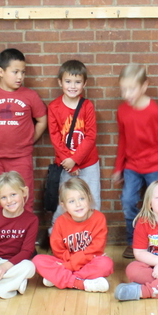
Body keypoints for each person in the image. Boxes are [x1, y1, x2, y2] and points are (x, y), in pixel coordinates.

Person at [0, 48, 47, 212]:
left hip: (21, 157)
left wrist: (29, 139)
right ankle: (0, 235)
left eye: (23, 72)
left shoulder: (30, 96)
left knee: (23, 198)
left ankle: (24, 236)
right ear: (1, 71)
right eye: (15, 72)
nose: (20, 77)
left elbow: (42, 120)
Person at [112, 64, 158, 258]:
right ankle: (134, 242)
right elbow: (123, 139)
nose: (127, 93)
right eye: (123, 89)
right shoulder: (122, 111)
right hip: (132, 167)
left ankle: (157, 241)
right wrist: (119, 168)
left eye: (131, 88)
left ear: (144, 86)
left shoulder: (154, 110)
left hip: (156, 166)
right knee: (128, 201)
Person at [33, 177, 113, 292]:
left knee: (106, 264)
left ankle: (59, 278)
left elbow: (96, 248)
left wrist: (71, 266)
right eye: (71, 201)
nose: (78, 204)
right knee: (37, 261)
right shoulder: (60, 222)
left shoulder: (99, 218)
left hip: (88, 262)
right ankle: (81, 283)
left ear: (89, 198)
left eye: (81, 198)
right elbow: (58, 250)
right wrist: (70, 263)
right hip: (65, 262)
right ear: (64, 205)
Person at [47, 59, 101, 221]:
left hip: (88, 163)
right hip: (65, 165)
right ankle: (57, 234)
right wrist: (69, 162)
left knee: (92, 200)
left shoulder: (87, 106)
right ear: (60, 82)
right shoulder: (54, 107)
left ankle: (92, 236)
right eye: (68, 81)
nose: (72, 86)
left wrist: (76, 160)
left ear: (84, 84)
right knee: (66, 202)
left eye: (77, 82)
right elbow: (55, 137)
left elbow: (91, 136)